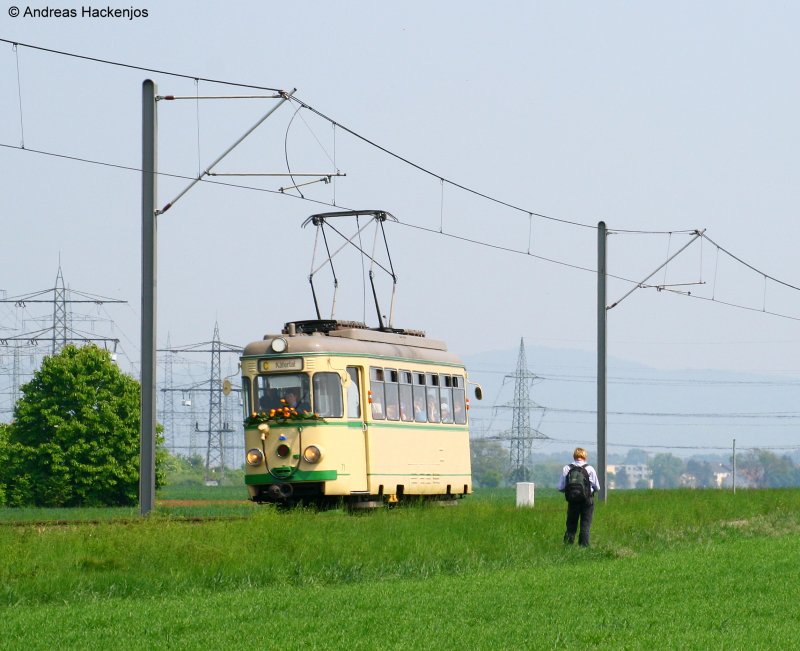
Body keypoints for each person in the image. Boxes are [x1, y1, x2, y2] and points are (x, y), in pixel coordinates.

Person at [557, 447, 601, 547]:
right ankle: (584, 548)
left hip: (572, 501)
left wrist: (571, 491)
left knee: (571, 526)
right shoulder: (589, 469)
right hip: (587, 501)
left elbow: (560, 487)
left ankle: (568, 547)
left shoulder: (567, 468)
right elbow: (597, 487)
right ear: (585, 456)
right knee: (585, 526)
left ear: (574, 456)